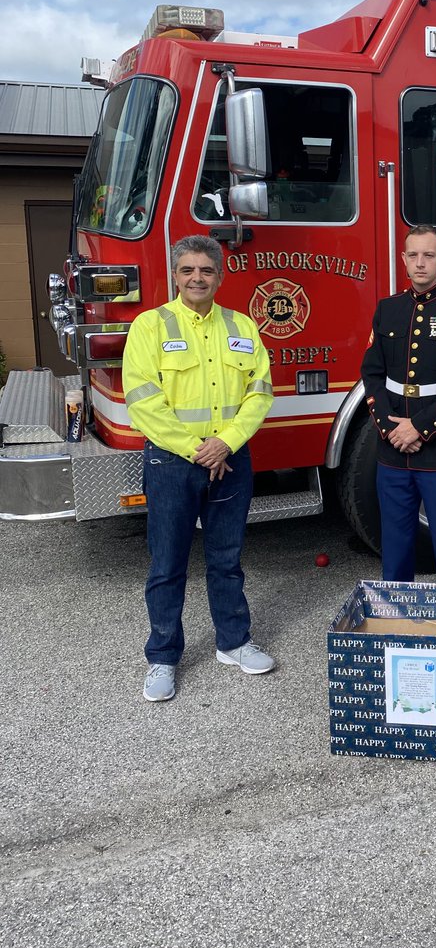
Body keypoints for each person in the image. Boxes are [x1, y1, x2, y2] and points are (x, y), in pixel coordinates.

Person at [123, 235, 275, 703]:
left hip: (230, 460)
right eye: (188, 270)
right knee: (166, 564)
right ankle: (162, 658)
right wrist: (197, 448)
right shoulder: (150, 327)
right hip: (172, 463)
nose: (197, 278)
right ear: (175, 275)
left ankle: (233, 642)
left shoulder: (242, 325)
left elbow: (260, 391)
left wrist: (226, 443)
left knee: (226, 560)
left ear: (219, 276)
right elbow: (142, 401)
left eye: (206, 271)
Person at [361, 225, 436, 584]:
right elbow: (372, 374)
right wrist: (390, 427)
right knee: (395, 546)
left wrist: (419, 427)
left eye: (429, 255)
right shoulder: (388, 309)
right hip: (393, 450)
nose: (420, 263)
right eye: (413, 255)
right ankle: (396, 621)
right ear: (403, 259)